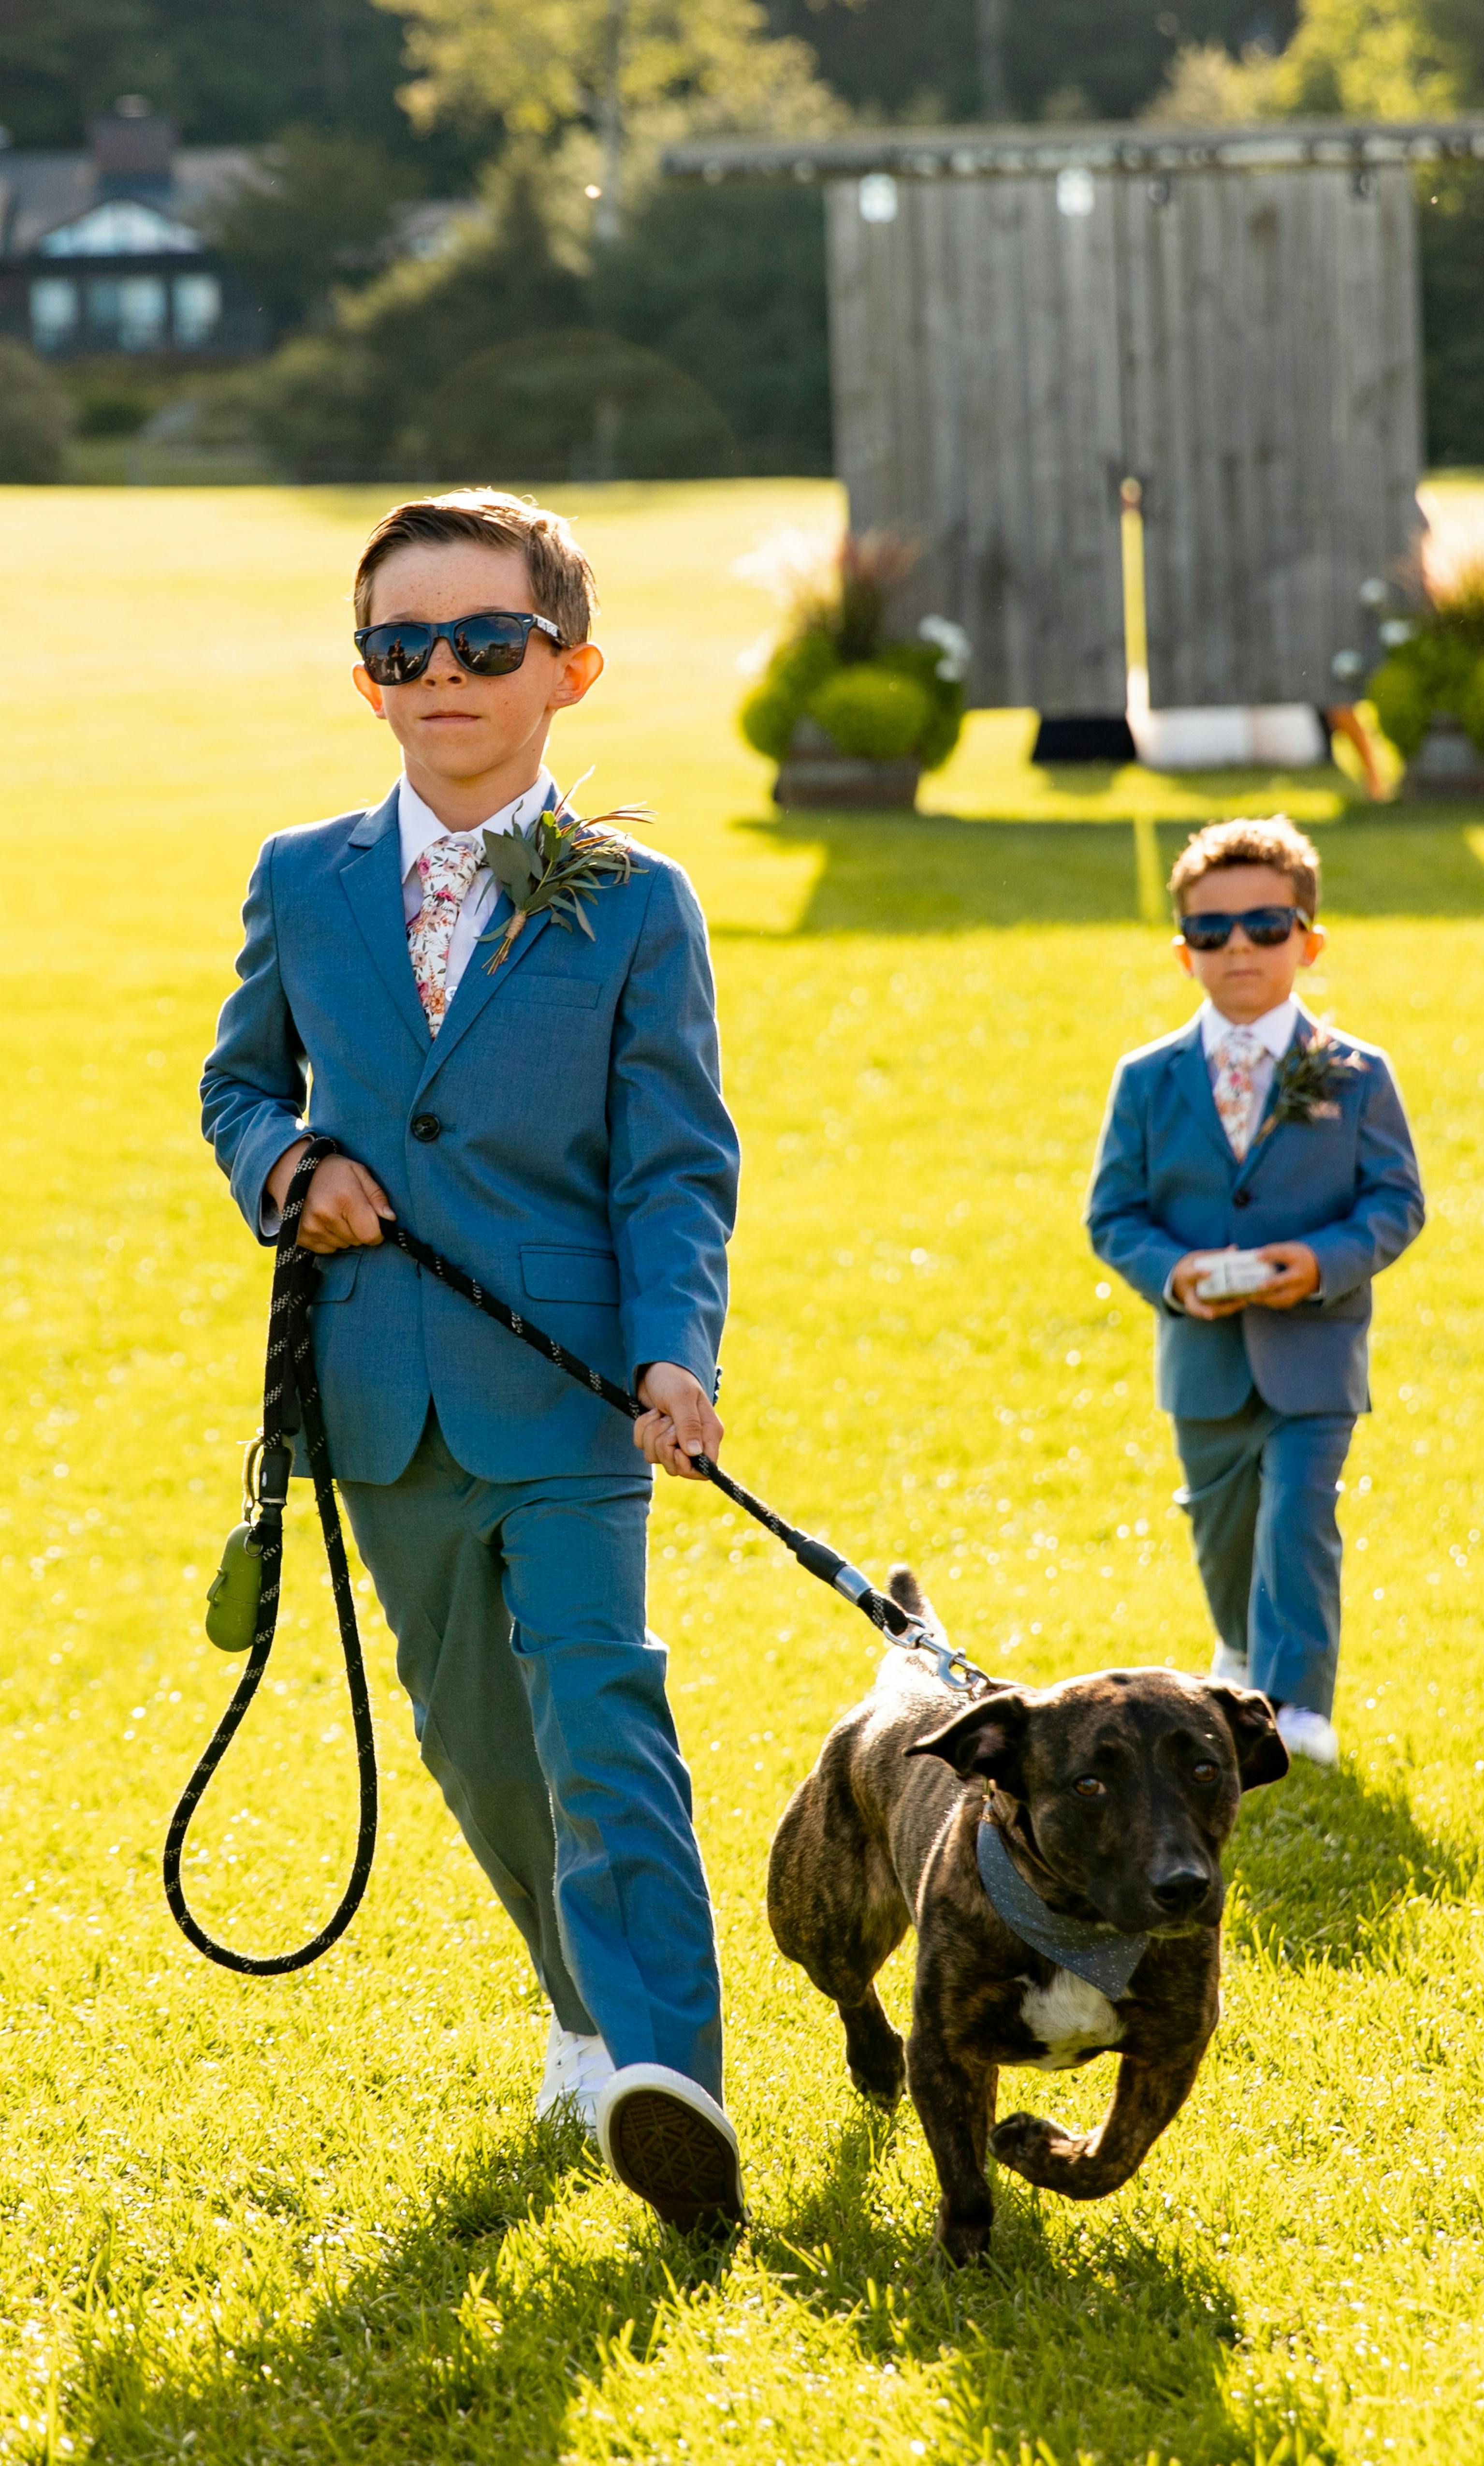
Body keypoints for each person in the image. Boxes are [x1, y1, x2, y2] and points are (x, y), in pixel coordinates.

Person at [201, 489, 745, 2233]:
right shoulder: (304, 877)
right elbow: (237, 1084)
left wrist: (673, 1351)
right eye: (400, 647)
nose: (441, 671)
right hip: (376, 1388)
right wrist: (290, 1170)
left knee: (603, 1711)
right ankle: (585, 2008)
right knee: (474, 1740)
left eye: (483, 641)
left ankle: (676, 2081)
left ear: (567, 670)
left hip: (573, 1382)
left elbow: (675, 1160)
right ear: (365, 681)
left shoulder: (638, 903)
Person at [1085, 816, 1424, 1767]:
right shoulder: (1147, 1080)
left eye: (1265, 926)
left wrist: (1317, 1264)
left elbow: (1395, 1201)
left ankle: (1295, 1705)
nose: (1238, 947)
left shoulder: (1354, 1073)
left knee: (1296, 1520)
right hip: (1200, 1356)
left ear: (1307, 944)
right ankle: (1236, 1645)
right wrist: (1174, 1274)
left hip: (1312, 1351)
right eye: (1212, 932)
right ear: (1182, 953)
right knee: (1221, 1524)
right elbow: (1113, 1215)